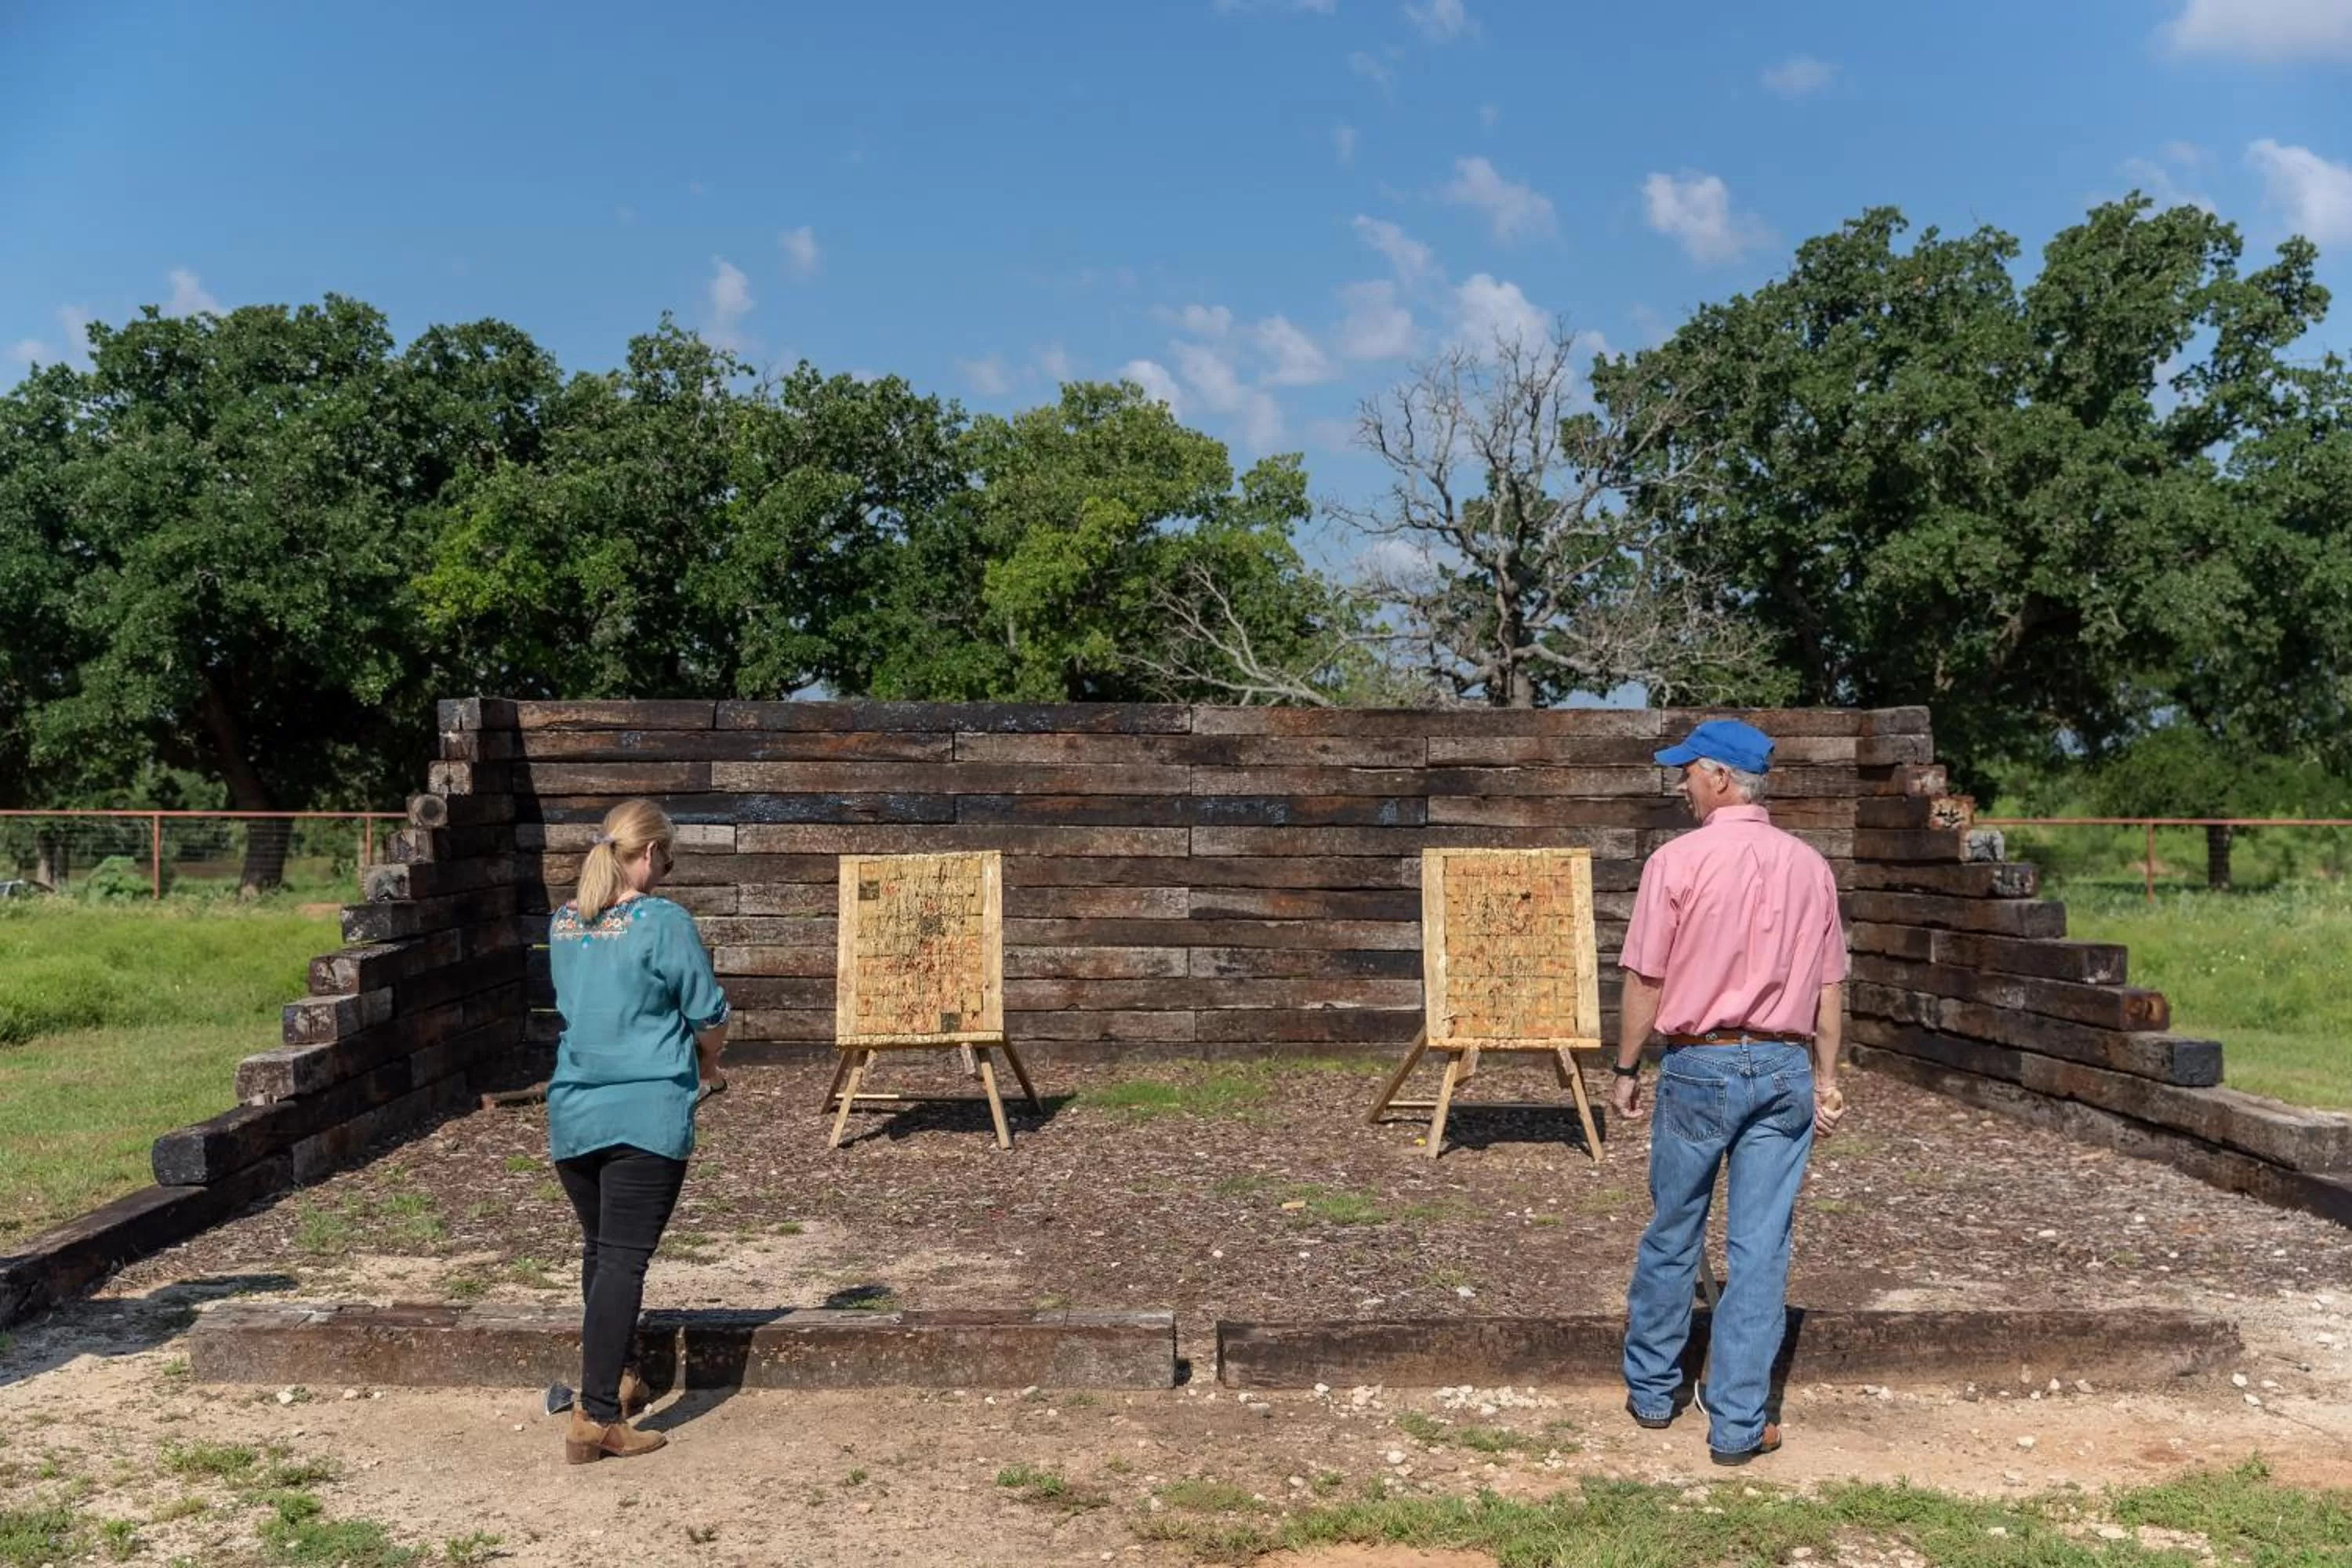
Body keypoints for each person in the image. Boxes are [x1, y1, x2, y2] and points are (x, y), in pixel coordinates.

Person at [1610, 718, 1848, 1465]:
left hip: (1700, 1062)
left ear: (1718, 776)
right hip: (1783, 1067)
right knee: (1761, 1247)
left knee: (1674, 1225)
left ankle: (1654, 1390)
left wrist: (1625, 1069)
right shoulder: (1810, 866)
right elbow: (1830, 987)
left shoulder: (1675, 861)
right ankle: (1739, 1421)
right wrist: (1828, 1078)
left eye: (1686, 771)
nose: (1680, 784)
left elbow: (1646, 978)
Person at [546, 798, 730, 1465]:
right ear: (650, 855)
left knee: (601, 1252)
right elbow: (707, 1011)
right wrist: (709, 1061)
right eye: (669, 857)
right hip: (644, 1114)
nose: (668, 869)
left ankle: (619, 1380)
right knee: (624, 1258)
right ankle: (595, 1417)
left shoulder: (563, 923)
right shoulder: (663, 921)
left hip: (573, 1112)